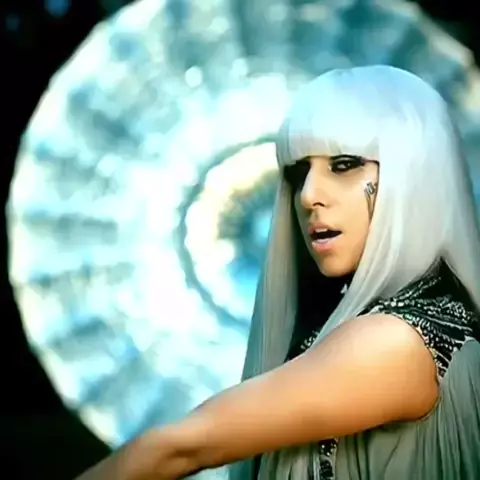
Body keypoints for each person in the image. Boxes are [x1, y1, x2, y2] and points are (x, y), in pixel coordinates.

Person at [76, 65, 480, 480]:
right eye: (299, 172)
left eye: (343, 164)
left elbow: (177, 449)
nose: (308, 196)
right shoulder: (419, 320)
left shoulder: (394, 340)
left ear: (415, 176)